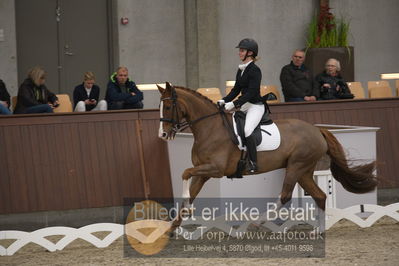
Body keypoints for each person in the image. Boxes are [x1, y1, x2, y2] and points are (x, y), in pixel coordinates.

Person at [218, 38, 263, 173]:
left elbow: (252, 92)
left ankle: (253, 162)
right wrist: (224, 100)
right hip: (244, 105)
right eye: (240, 51)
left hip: (255, 105)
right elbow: (236, 90)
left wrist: (234, 103)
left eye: (242, 50)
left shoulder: (255, 70)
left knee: (248, 130)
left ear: (250, 53)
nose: (239, 53)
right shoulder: (241, 70)